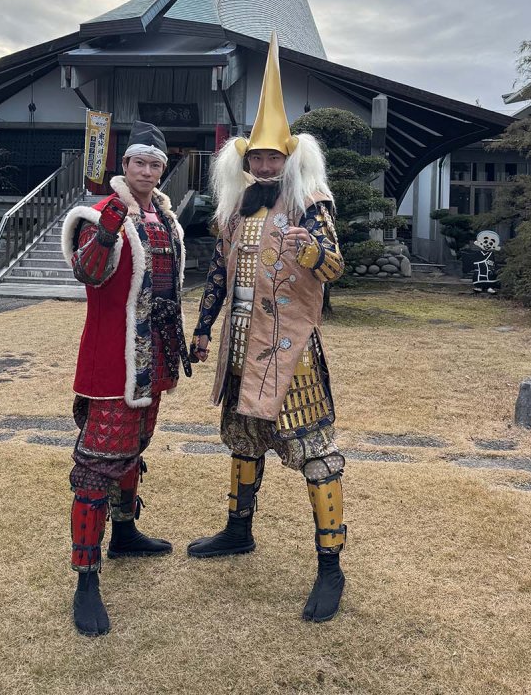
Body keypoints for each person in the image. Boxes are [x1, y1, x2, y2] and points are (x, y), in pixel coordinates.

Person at [187, 32, 347, 622]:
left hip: (291, 346)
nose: (263, 165)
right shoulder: (231, 211)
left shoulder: (313, 203)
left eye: (272, 158)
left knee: (315, 453)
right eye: (255, 157)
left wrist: (309, 250)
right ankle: (238, 529)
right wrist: (203, 330)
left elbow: (336, 267)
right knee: (243, 437)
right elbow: (218, 279)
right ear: (244, 160)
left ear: (289, 158)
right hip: (237, 340)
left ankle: (331, 567)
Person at [61, 120, 189, 637]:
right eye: (140, 162)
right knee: (97, 466)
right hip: (113, 359)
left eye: (156, 164)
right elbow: (88, 272)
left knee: (135, 447)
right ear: (125, 165)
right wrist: (113, 218)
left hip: (154, 355)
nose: (148, 170)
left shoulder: (166, 216)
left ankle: (127, 532)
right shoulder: (98, 213)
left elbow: (169, 288)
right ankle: (85, 579)